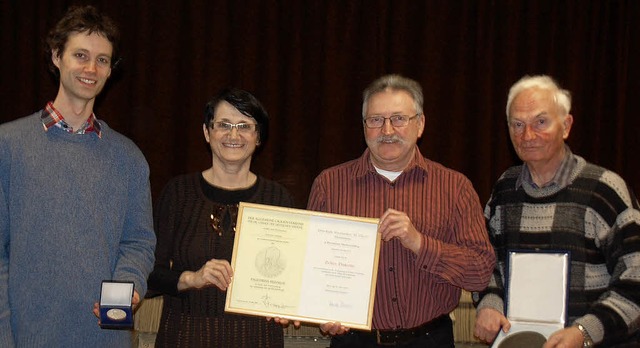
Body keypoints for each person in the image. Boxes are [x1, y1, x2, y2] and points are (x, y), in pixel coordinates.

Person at [0, 5, 156, 347]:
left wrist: (127, 288)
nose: (91, 68)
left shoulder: (128, 157)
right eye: (80, 55)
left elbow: (138, 243)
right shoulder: (7, 145)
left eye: (102, 60)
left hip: (104, 338)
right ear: (57, 56)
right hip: (26, 338)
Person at [306, 74, 496, 347]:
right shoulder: (329, 185)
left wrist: (419, 243)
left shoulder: (455, 187)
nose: (387, 130)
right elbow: (311, 269)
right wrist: (321, 310)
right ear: (363, 126)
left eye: (398, 118)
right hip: (353, 341)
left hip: (430, 339)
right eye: (375, 120)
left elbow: (480, 272)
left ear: (420, 124)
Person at [473, 75, 640, 347]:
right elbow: (483, 257)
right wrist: (489, 301)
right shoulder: (505, 190)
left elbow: (635, 278)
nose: (527, 135)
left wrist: (585, 331)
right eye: (518, 124)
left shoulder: (605, 191)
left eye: (541, 122)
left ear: (566, 125)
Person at [147, 87, 295, 347]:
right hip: (184, 338)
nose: (233, 134)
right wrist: (192, 278)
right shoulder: (178, 193)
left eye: (245, 125)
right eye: (223, 124)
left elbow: (293, 276)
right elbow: (149, 273)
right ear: (207, 132)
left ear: (258, 136)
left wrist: (291, 304)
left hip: (257, 340)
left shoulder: (278, 199)